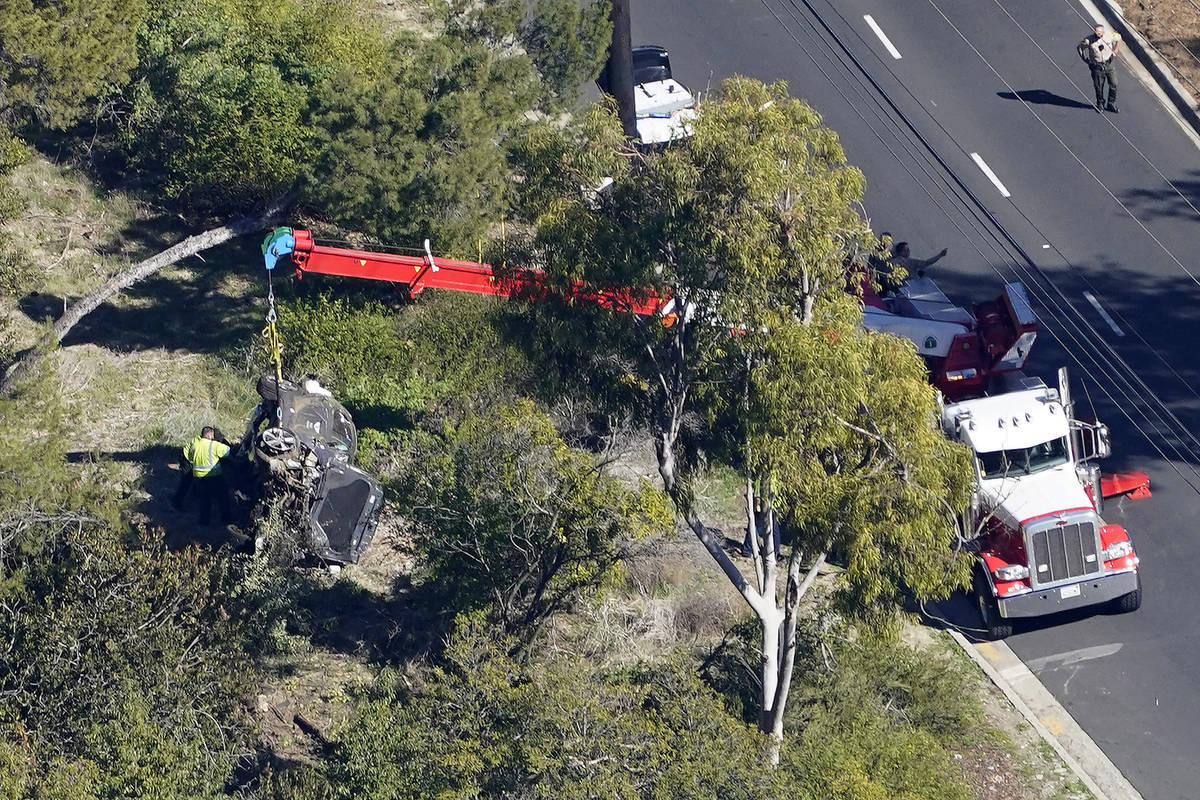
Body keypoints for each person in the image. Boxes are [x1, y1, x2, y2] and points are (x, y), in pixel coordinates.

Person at [176, 426, 232, 525]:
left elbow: (191, 457)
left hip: (198, 476)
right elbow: (228, 452)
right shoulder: (214, 445)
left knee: (205, 499)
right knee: (223, 496)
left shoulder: (195, 444)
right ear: (210, 435)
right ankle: (227, 519)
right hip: (213, 476)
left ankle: (204, 522)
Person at [1077, 24, 1121, 113]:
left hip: (1109, 64)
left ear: (1103, 32)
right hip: (1097, 66)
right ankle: (1100, 104)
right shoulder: (1088, 40)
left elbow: (1119, 38)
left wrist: (1115, 50)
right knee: (1099, 86)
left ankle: (1111, 103)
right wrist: (1084, 59)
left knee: (1114, 83)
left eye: (1099, 33)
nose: (1097, 34)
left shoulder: (1110, 35)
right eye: (1096, 32)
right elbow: (1080, 47)